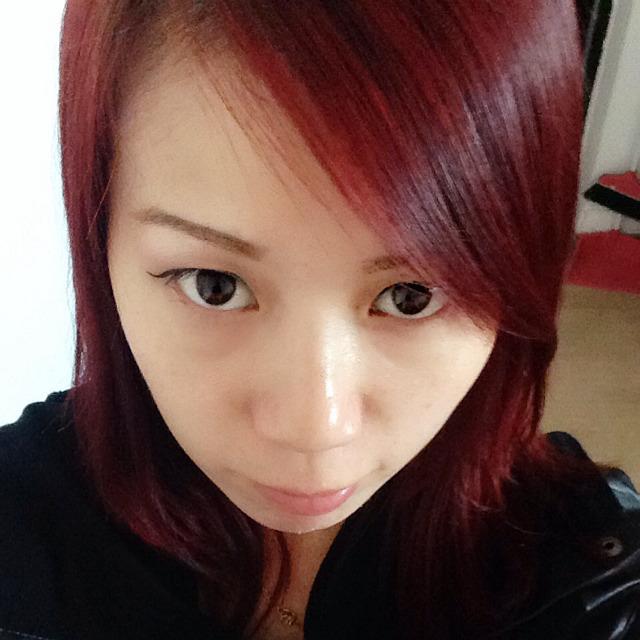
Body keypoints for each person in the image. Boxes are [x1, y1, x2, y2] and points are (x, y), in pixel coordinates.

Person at [1, 1, 639, 639]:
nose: (314, 431)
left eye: (411, 295)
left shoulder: (592, 579)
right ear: (100, 243)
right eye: (215, 287)